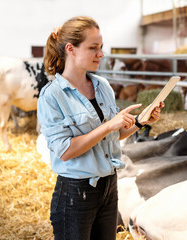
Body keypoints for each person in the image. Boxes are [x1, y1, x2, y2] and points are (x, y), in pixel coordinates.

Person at [37, 16, 163, 240]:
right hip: (75, 193)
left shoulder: (102, 85)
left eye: (101, 47)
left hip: (108, 186)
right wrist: (107, 127)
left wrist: (140, 121)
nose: (101, 54)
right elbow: (65, 151)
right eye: (93, 48)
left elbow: (114, 134)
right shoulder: (52, 96)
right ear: (71, 49)